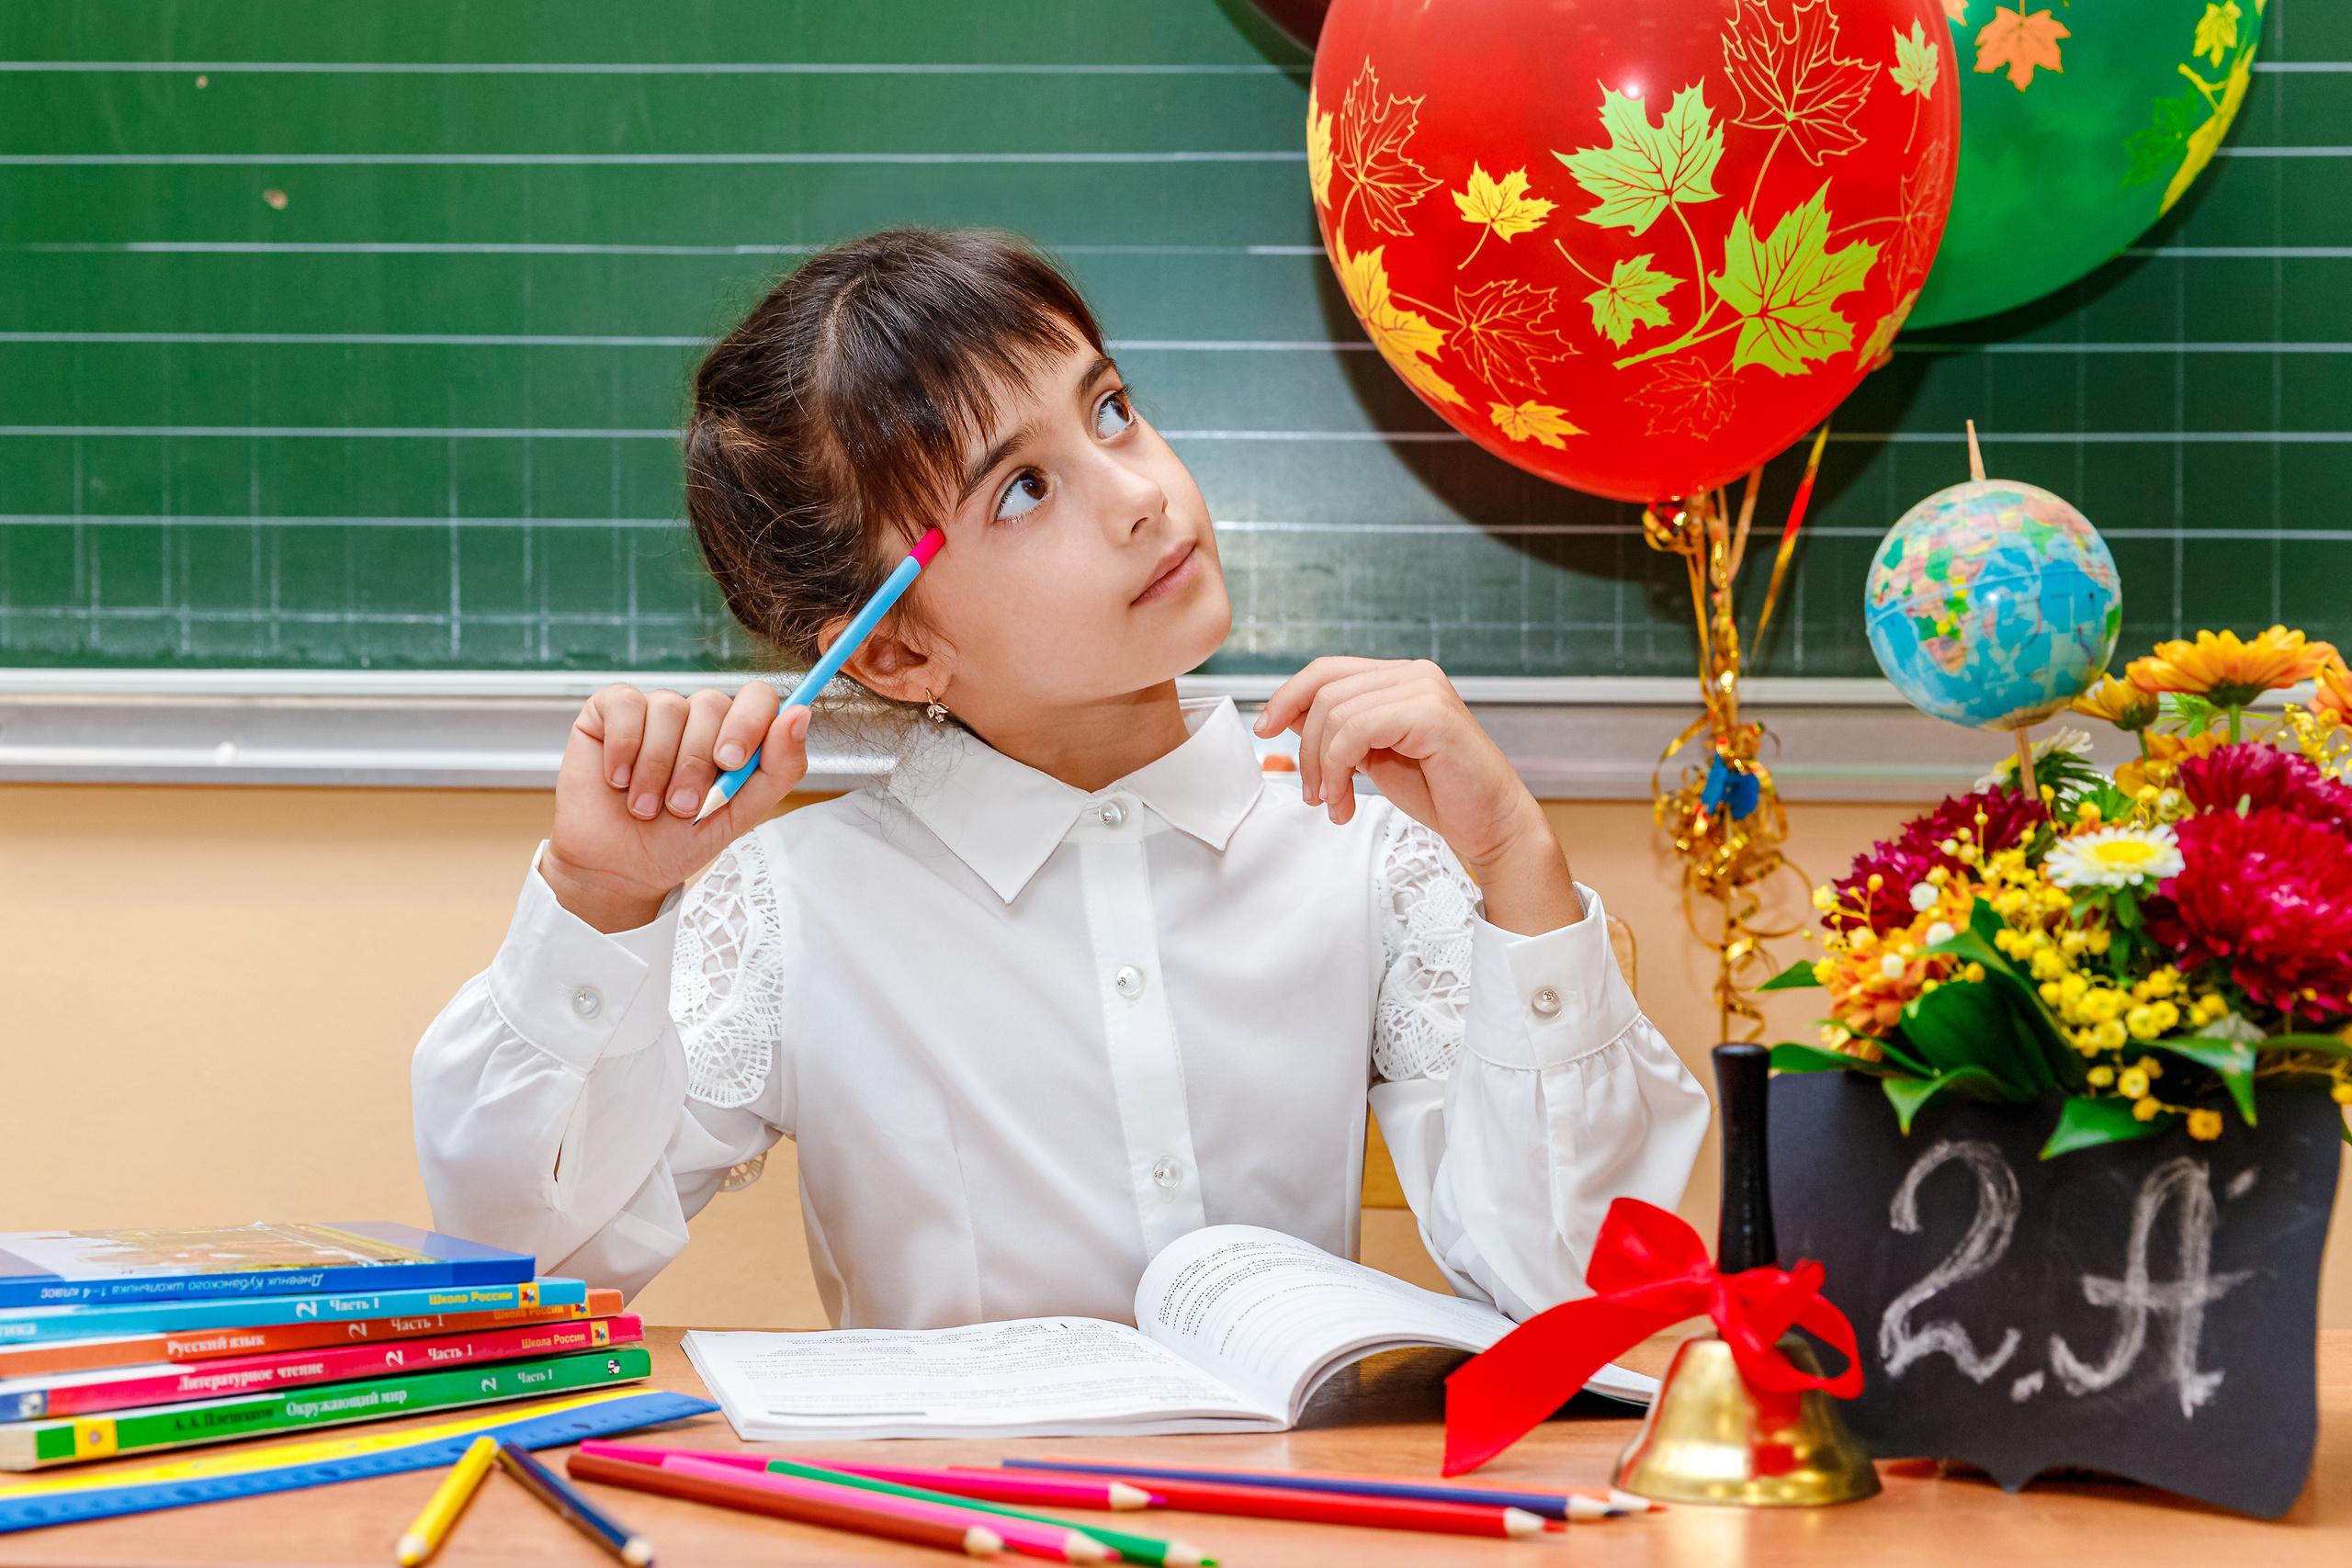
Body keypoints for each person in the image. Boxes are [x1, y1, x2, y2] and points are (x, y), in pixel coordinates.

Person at [413, 228, 1709, 1331]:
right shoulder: (795, 904)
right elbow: (535, 1272)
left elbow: (1582, 1297)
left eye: (1112, 410)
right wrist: (598, 901)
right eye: (1024, 491)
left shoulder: (1356, 836)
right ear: (902, 648)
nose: (1141, 495)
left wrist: (1517, 868)